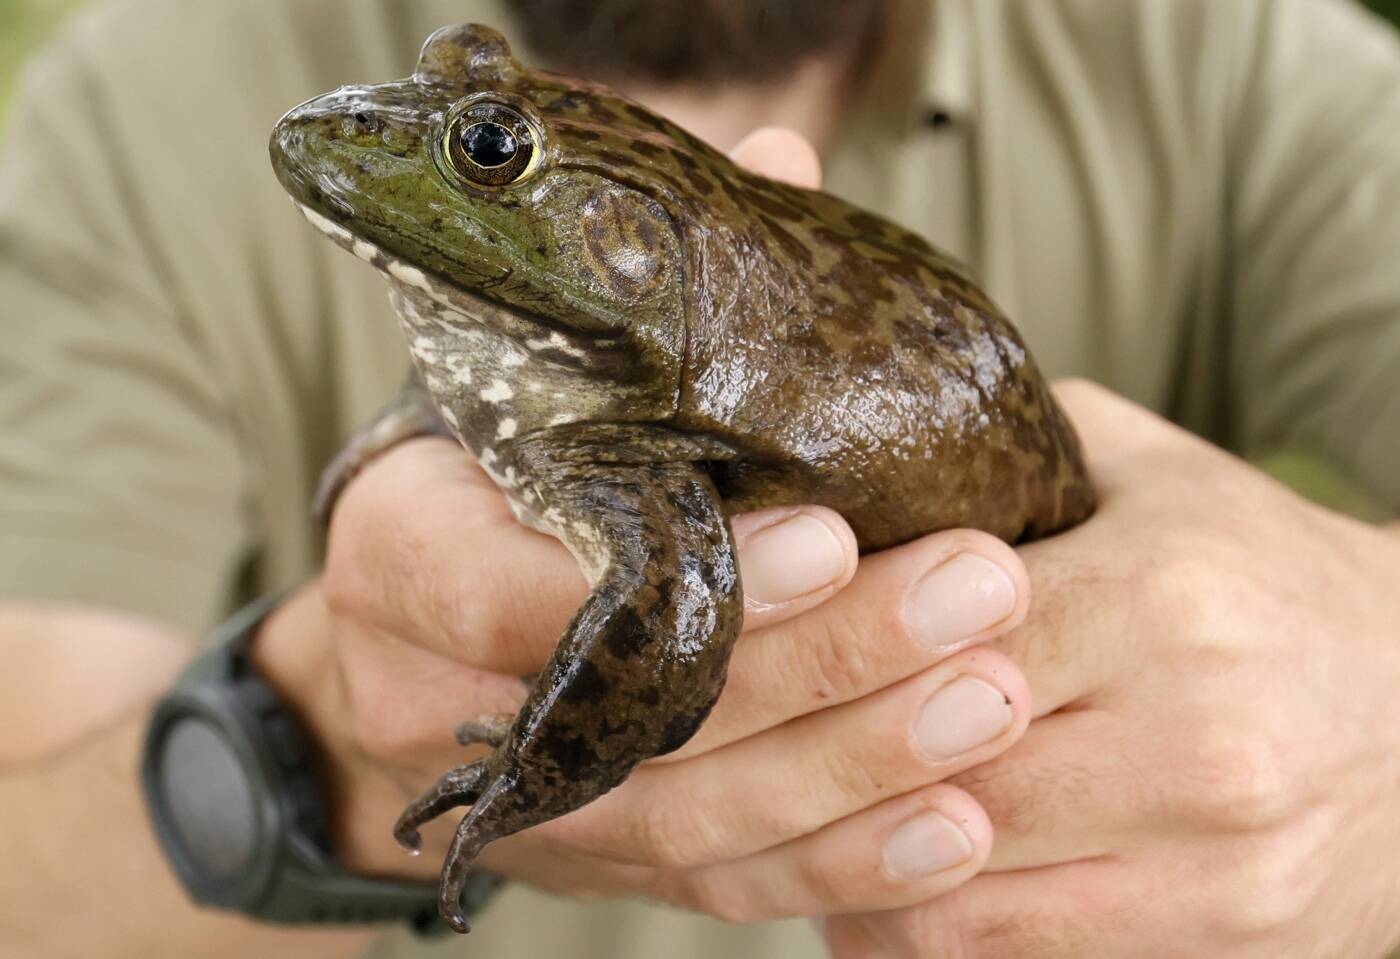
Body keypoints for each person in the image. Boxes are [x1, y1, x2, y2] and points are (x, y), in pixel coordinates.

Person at [2, 0, 1398, 956]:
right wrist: (309, 738)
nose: (412, 143)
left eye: (488, 154)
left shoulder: (1224, 52)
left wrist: (1369, 689)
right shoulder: (139, 109)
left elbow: (673, 614)